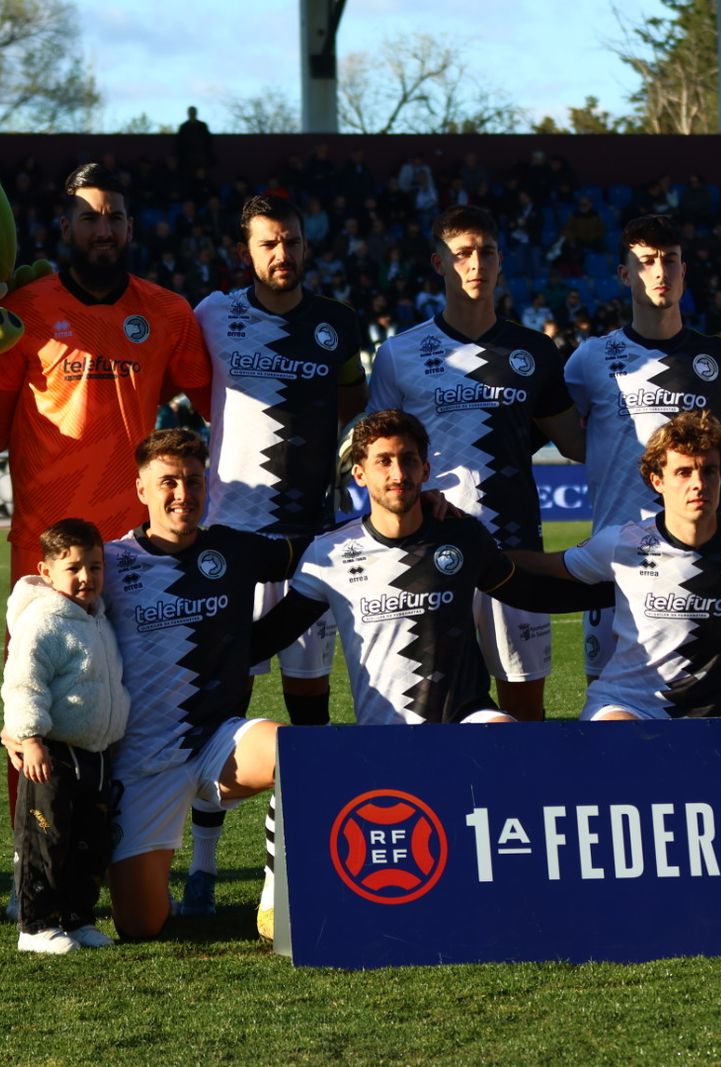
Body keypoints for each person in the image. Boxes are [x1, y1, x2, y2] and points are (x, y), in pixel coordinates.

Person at [0, 162, 211, 907]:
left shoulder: (168, 313)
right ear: (65, 228)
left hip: (135, 556)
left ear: (131, 230)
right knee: (34, 714)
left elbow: (216, 412)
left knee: (126, 712)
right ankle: (33, 874)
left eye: (114, 218)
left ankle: (111, 859)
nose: (102, 230)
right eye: (88, 217)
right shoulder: (24, 310)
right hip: (44, 555)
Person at [179, 194, 366, 915]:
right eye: (267, 244)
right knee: (222, 713)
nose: (280, 253)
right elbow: (197, 388)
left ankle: (283, 876)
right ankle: (200, 867)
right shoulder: (212, 315)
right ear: (246, 252)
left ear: (304, 244)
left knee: (308, 717)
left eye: (289, 240)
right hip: (229, 550)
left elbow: (348, 399)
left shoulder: (335, 325)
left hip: (307, 549)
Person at [366, 205, 585, 721]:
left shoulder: (534, 350)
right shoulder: (401, 353)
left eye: (485, 252)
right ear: (439, 263)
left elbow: (576, 442)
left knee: (525, 707)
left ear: (501, 260)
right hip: (430, 549)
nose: (475, 263)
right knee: (431, 707)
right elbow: (374, 451)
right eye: (462, 253)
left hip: (515, 550)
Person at [252, 410, 608, 725]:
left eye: (408, 460)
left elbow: (529, 593)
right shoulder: (328, 554)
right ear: (359, 474)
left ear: (426, 469)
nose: (398, 473)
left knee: (503, 731)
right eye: (384, 461)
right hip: (385, 736)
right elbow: (273, 634)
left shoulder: (462, 535)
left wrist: (618, 591)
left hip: (466, 721)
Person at [94, 429, 303, 942]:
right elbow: (44, 609)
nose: (182, 493)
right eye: (168, 482)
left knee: (299, 755)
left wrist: (402, 513)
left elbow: (321, 549)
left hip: (217, 742)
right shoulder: (111, 564)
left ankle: (276, 901)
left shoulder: (232, 548)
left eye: (192, 480)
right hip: (142, 762)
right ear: (141, 489)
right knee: (141, 925)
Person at [563, 215, 721, 679]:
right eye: (646, 261)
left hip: (693, 563)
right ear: (626, 274)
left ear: (684, 271)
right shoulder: (590, 359)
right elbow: (564, 438)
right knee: (606, 710)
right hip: (615, 561)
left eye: (670, 261)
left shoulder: (720, 359)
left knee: (696, 704)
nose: (660, 272)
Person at [511, 412, 721, 720]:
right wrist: (483, 556)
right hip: (623, 705)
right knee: (626, 740)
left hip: (705, 718)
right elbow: (545, 565)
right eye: (684, 472)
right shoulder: (622, 543)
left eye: (709, 471)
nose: (699, 484)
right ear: (657, 481)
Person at [2, 519, 129, 954]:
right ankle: (36, 926)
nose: (85, 578)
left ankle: (78, 918)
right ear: (46, 570)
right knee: (46, 840)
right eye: (73, 568)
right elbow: (22, 682)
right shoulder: (42, 621)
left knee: (89, 843)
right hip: (51, 754)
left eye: (94, 568)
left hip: (94, 754)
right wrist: (31, 736)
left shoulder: (98, 619)